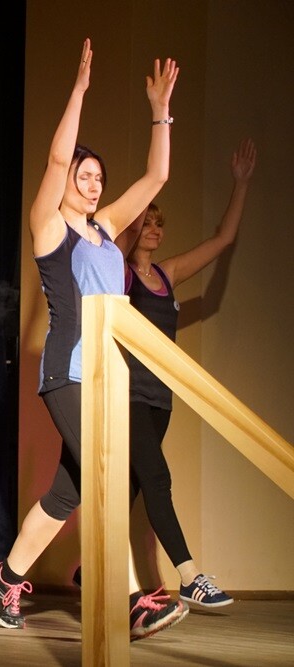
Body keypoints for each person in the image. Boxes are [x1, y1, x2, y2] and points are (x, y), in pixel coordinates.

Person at [0, 38, 189, 640]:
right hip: (66, 374)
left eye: (99, 177)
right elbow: (54, 160)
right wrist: (78, 90)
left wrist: (161, 113)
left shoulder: (106, 228)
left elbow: (158, 175)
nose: (94, 185)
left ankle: (4, 576)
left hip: (104, 378)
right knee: (104, 477)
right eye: (85, 175)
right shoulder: (50, 228)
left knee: (67, 494)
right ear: (68, 180)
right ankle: (131, 601)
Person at [104, 138, 256, 608]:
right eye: (146, 222)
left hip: (159, 399)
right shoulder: (120, 274)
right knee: (157, 480)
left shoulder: (167, 274)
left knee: (132, 487)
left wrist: (240, 184)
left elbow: (222, 240)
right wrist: (143, 197)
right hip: (127, 395)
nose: (153, 229)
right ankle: (189, 576)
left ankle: (92, 569)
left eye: (158, 223)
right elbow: (119, 236)